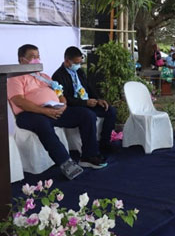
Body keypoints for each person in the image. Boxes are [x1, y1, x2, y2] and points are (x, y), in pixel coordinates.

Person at [10, 44, 107, 178]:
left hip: (52, 110)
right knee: (43, 123)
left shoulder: (44, 76)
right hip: (28, 114)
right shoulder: (15, 78)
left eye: (38, 56)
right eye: (32, 57)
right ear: (21, 59)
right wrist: (44, 111)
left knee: (87, 114)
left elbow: (59, 93)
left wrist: (63, 104)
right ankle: (66, 162)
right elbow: (19, 101)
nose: (36, 60)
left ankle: (88, 156)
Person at [52, 46, 117, 154]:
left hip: (89, 102)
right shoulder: (58, 76)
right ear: (67, 61)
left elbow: (89, 87)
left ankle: (105, 143)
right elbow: (65, 98)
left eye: (80, 62)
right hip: (76, 106)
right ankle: (90, 152)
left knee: (110, 110)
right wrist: (85, 103)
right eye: (76, 63)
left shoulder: (80, 72)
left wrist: (97, 99)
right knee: (88, 115)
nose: (78, 65)